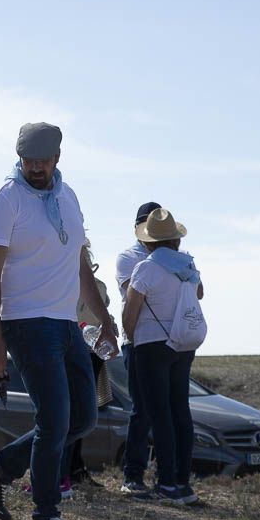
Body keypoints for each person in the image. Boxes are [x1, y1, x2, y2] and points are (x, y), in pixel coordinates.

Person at [0, 123, 119, 520]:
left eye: (42, 159)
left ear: (57, 157)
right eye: (27, 160)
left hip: (64, 323)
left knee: (82, 418)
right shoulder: (5, 199)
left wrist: (104, 318)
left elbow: (80, 264)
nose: (35, 167)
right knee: (54, 420)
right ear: (19, 157)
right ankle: (46, 518)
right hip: (25, 321)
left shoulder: (67, 197)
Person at [121, 208, 205, 505]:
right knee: (180, 411)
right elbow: (200, 292)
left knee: (159, 414)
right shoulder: (189, 264)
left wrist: (130, 336)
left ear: (150, 240)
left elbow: (131, 310)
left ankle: (166, 481)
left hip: (152, 344)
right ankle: (182, 481)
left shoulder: (146, 267)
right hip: (183, 342)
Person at [115, 201, 161, 494]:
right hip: (137, 340)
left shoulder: (170, 257)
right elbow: (139, 294)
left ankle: (162, 474)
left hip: (164, 342)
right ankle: (133, 474)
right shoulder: (128, 257)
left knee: (162, 411)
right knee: (141, 410)